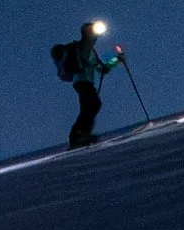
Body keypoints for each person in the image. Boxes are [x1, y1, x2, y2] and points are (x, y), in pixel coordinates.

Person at [52, 18, 128, 148]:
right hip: (81, 82)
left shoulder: (91, 52)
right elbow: (89, 42)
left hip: (87, 82)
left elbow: (102, 68)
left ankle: (81, 135)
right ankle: (78, 136)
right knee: (92, 105)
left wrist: (117, 59)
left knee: (91, 106)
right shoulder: (82, 48)